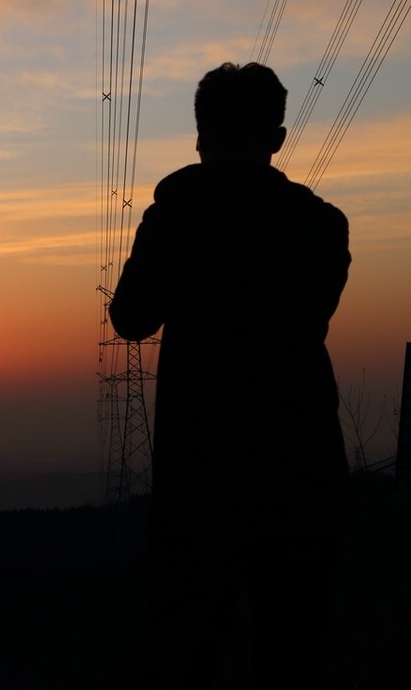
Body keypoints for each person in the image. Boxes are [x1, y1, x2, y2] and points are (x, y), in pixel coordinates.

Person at [109, 63, 350, 689]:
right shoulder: (323, 227)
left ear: (199, 137)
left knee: (182, 654)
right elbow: (310, 315)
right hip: (302, 469)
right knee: (291, 657)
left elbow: (131, 318)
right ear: (275, 139)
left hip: (201, 471)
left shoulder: (176, 217)